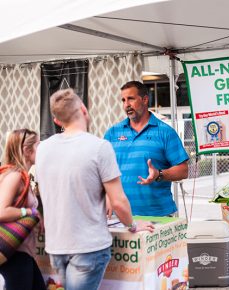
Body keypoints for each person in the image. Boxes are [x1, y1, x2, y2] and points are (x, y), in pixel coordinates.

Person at [35, 89, 154, 290]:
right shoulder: (99, 146)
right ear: (83, 109)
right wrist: (133, 225)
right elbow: (118, 201)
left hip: (56, 246)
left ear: (56, 120)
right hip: (88, 246)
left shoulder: (43, 148)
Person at [104, 81, 189, 216]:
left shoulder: (165, 132)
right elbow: (103, 170)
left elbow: (183, 171)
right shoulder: (112, 133)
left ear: (145, 99)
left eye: (131, 99)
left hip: (158, 216)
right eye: (123, 100)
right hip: (120, 216)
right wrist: (107, 195)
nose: (126, 105)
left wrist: (159, 174)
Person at [0, 129, 46, 290]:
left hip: (22, 253)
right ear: (27, 151)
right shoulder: (14, 176)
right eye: (39, 146)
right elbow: (2, 211)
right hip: (14, 254)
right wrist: (30, 213)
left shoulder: (22, 176)